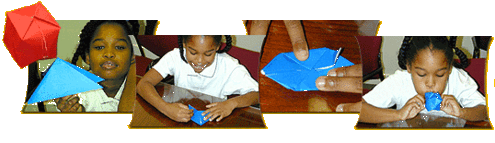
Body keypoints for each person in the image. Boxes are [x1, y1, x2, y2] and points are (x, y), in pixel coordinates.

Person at [358, 36, 487, 123]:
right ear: (409, 67)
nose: (430, 84)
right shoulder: (400, 81)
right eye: (421, 74)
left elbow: (485, 111)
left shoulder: (457, 79)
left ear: (449, 69)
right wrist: (398, 115)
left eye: (440, 75)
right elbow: (358, 109)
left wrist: (462, 112)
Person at [136, 35, 259, 122]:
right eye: (193, 53)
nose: (199, 61)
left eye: (208, 54)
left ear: (217, 47)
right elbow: (143, 84)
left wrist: (231, 104)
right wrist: (165, 108)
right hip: (179, 116)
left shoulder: (229, 66)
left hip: (212, 122)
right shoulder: (175, 56)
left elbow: (257, 95)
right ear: (184, 45)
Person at [53, 20, 135, 112]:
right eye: (99, 47)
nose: (109, 54)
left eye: (119, 47)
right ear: (87, 57)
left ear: (133, 55)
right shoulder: (74, 95)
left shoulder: (143, 85)